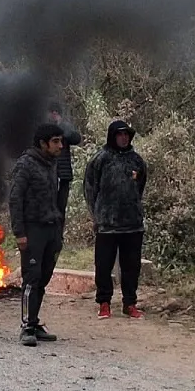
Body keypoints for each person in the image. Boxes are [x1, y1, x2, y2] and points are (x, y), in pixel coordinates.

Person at [84, 120, 147, 319]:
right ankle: (104, 302)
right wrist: (97, 215)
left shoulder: (137, 161)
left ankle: (130, 303)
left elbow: (140, 187)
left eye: (126, 134)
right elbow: (89, 189)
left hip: (132, 224)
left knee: (132, 266)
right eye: (120, 134)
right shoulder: (100, 160)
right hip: (107, 224)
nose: (124, 137)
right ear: (112, 136)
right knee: (103, 265)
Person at [10, 123, 65, 346]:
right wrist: (20, 233)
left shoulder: (52, 164)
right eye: (55, 141)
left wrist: (59, 228)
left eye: (61, 141)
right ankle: (27, 327)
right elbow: (15, 199)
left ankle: (35, 321)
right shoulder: (26, 165)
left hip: (52, 229)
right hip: (33, 230)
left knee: (43, 279)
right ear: (43, 143)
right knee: (31, 279)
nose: (60, 146)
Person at [47, 102, 82, 218]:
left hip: (63, 174)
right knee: (49, 207)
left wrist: (61, 126)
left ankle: (59, 234)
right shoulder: (45, 128)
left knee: (61, 208)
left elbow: (76, 139)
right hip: (48, 173)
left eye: (55, 113)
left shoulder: (65, 127)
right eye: (52, 113)